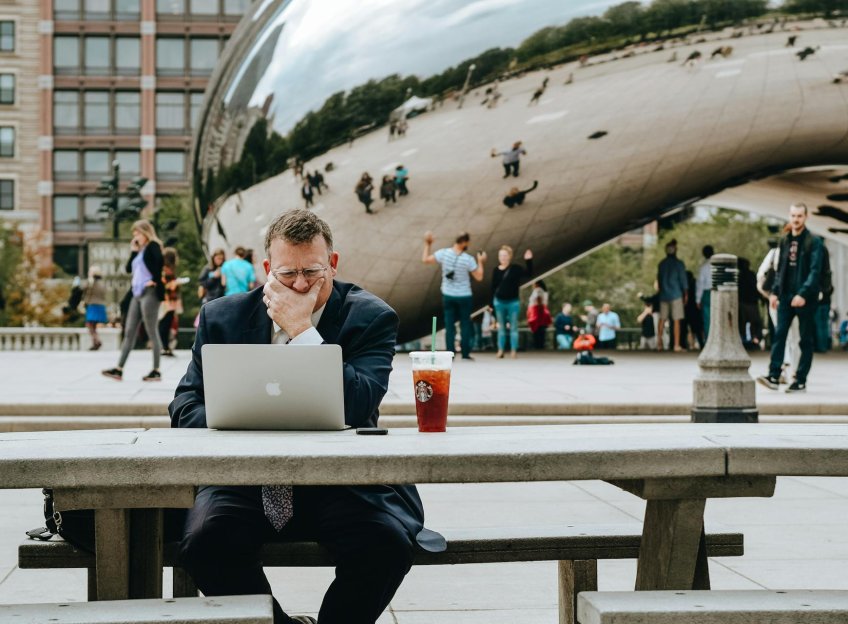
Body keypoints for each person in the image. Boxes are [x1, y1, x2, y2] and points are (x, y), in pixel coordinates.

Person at [170, 209, 444, 624]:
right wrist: (235, 417)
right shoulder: (222, 316)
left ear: (332, 263)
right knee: (203, 542)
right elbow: (185, 404)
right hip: (245, 479)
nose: (299, 284)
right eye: (286, 274)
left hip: (340, 479)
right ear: (266, 270)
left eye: (312, 272)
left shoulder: (370, 316)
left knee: (385, 543)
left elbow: (361, 403)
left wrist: (302, 332)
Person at [758, 202, 825, 393]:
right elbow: (781, 271)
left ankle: (800, 379)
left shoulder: (813, 242)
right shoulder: (785, 240)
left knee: (804, 340)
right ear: (789, 216)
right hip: (786, 296)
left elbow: (815, 272)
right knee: (779, 335)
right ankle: (773, 375)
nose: (796, 220)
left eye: (799, 216)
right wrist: (775, 293)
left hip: (805, 298)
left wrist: (803, 294)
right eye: (793, 216)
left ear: (805, 217)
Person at [102, 219, 165, 382]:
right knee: (129, 331)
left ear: (145, 233)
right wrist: (134, 251)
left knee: (152, 330)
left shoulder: (153, 246)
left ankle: (156, 370)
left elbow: (159, 264)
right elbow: (128, 269)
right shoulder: (140, 250)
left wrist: (155, 280)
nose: (135, 236)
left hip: (149, 292)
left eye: (137, 233)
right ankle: (119, 369)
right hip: (136, 293)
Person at [422, 231, 486, 360]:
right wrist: (481, 261)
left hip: (448, 295)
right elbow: (479, 276)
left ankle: (450, 354)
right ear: (464, 243)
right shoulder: (468, 259)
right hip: (464, 296)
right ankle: (465, 354)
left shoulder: (444, 253)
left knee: (449, 325)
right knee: (465, 324)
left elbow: (425, 259)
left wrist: (427, 244)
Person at [757, 235, 799, 382]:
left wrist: (768, 295)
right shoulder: (800, 252)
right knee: (795, 337)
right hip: (796, 299)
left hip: (777, 299)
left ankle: (784, 369)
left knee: (781, 335)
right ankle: (793, 370)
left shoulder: (774, 253)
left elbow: (761, 275)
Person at [491, 245, 533, 358]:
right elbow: (493, 288)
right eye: (501, 255)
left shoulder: (515, 269)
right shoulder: (496, 270)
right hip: (499, 302)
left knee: (514, 327)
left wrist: (528, 260)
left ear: (510, 256)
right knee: (501, 327)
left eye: (505, 255)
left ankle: (513, 350)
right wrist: (491, 305)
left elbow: (529, 274)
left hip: (513, 302)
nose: (503, 258)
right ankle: (501, 350)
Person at [657, 239, 688, 352]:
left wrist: (660, 290)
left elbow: (659, 280)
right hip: (676, 294)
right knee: (676, 320)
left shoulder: (661, 264)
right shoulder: (679, 264)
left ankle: (659, 343)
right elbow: (683, 280)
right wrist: (685, 293)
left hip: (664, 294)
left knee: (662, 319)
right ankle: (676, 345)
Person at [158, 248, 184, 357]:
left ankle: (165, 346)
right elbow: (163, 283)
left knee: (167, 323)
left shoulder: (168, 268)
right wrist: (174, 283)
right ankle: (164, 346)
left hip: (170, 300)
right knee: (165, 323)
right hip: (167, 300)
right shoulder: (166, 268)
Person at [83, 265, 107, 351]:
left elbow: (84, 289)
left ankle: (97, 341)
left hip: (92, 305)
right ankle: (95, 342)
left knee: (89, 325)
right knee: (93, 326)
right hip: (101, 305)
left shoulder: (91, 282)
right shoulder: (102, 283)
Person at [526, 280, 551, 350]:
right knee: (541, 331)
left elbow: (539, 299)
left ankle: (538, 346)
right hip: (540, 312)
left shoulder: (538, 290)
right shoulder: (544, 291)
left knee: (537, 330)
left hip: (537, 312)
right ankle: (540, 345)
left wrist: (539, 311)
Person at [695, 245, 714, 341]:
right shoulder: (717, 265)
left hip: (707, 293)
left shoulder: (703, 267)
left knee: (707, 319)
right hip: (717, 292)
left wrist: (698, 299)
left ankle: (709, 340)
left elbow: (700, 284)